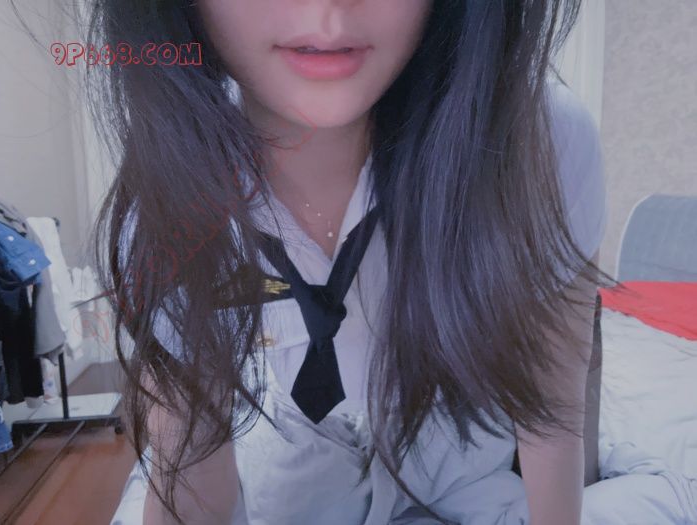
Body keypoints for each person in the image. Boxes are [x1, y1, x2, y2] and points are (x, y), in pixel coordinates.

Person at [86, 1, 614, 523]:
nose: (327, 9)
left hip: (469, 436)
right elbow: (191, 471)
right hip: (291, 438)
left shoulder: (537, 145)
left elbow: (553, 415)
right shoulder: (167, 200)